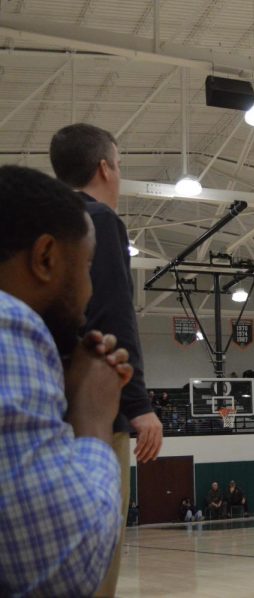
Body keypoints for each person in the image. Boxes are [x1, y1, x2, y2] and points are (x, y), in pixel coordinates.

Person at [0, 165, 133, 596]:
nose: (91, 291)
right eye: (88, 265)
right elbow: (62, 571)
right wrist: (92, 419)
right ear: (45, 258)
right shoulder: (10, 323)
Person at [50, 124, 163, 596]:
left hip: (40, 404)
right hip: (93, 412)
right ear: (105, 168)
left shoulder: (38, 224)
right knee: (98, 550)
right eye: (119, 165)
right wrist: (138, 404)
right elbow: (112, 313)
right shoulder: (99, 220)